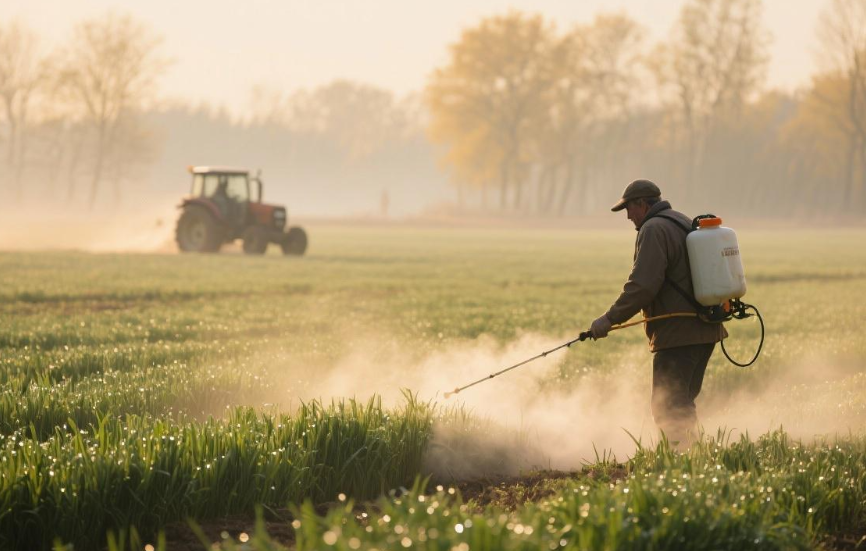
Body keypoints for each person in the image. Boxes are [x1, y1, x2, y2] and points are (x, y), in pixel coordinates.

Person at [589, 179, 727, 448]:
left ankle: (683, 464)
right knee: (681, 404)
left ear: (643, 204)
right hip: (705, 329)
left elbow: (642, 286)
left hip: (678, 334)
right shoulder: (681, 220)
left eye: (629, 208)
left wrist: (608, 319)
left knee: (669, 409)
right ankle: (694, 460)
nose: (628, 216)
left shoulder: (653, 229)